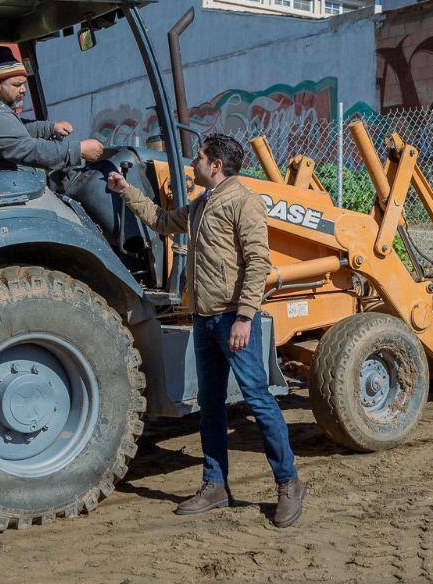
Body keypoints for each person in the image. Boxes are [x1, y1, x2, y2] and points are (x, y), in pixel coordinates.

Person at [106, 133, 306, 528]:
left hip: (234, 320)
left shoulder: (243, 203)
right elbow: (163, 222)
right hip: (204, 320)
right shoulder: (202, 204)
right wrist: (126, 190)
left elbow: (257, 263)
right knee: (210, 406)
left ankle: (289, 483)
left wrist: (246, 317)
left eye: (198, 158)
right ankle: (215, 485)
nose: (192, 164)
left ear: (215, 165)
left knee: (259, 400)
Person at [0, 46, 104, 178]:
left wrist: (50, 128)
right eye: (16, 85)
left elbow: (10, 131)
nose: (23, 90)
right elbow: (27, 150)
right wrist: (77, 150)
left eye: (24, 84)